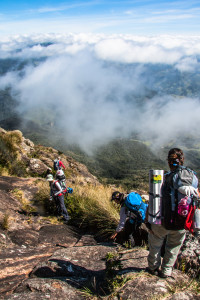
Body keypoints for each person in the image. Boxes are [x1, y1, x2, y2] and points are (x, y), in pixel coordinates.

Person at [146, 148, 198, 278]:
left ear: (169, 161)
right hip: (182, 221)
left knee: (155, 244)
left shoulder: (165, 177)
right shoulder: (194, 177)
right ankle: (166, 271)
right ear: (182, 160)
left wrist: (148, 218)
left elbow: (155, 198)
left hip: (162, 221)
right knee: (174, 247)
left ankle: (152, 268)